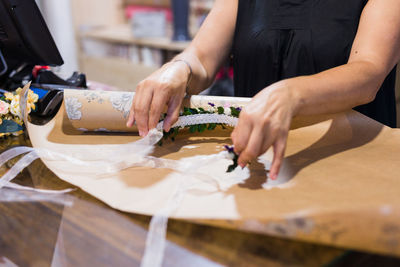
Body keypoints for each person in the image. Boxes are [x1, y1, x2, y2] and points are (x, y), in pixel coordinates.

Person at [127, 0, 400, 180]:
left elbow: (368, 71)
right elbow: (201, 57)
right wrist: (179, 68)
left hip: (350, 166)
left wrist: (289, 94)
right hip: (254, 162)